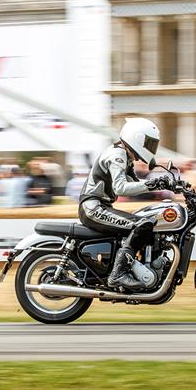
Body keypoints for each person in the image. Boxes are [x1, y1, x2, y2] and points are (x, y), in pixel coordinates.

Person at [77, 117, 172, 290]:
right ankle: (117, 275)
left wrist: (165, 184)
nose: (151, 148)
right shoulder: (117, 155)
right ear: (137, 138)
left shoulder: (125, 155)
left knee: (148, 224)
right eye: (149, 143)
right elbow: (120, 188)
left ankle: (142, 268)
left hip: (100, 206)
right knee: (142, 225)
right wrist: (152, 184)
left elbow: (135, 183)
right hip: (93, 207)